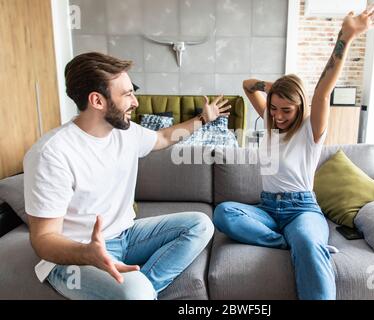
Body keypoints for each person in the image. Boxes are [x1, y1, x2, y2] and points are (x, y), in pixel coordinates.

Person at [213, 5, 374, 300]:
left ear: (301, 107)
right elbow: (246, 85)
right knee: (224, 213)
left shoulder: (311, 129)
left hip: (302, 209)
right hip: (267, 210)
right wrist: (279, 88)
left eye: (287, 110)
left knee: (307, 239)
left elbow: (322, 91)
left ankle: (304, 243)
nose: (278, 116)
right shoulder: (270, 121)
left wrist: (345, 38)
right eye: (274, 108)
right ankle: (284, 243)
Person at [24, 52, 231, 300]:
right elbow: (43, 239)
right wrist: (86, 253)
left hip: (126, 235)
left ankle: (147, 288)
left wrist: (203, 119)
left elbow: (164, 137)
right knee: (135, 294)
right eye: (127, 94)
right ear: (97, 100)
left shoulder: (127, 132)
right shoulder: (52, 153)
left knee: (201, 224)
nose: (135, 102)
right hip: (72, 258)